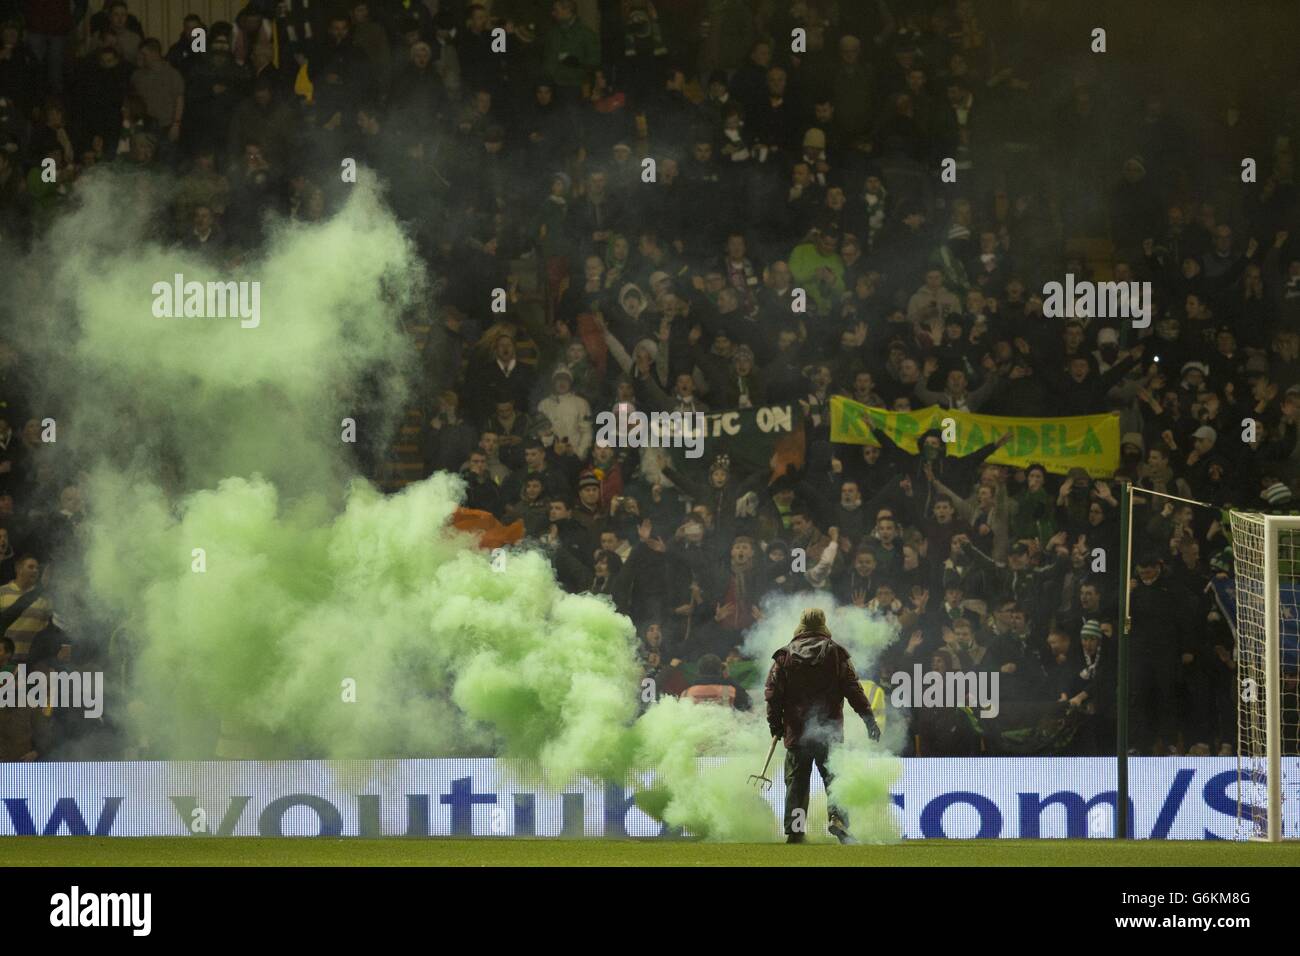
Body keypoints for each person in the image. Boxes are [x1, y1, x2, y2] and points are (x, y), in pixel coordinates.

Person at [764, 607, 880, 844]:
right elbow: (853, 689)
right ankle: (837, 820)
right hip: (830, 731)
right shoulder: (837, 653)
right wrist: (868, 719)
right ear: (823, 624)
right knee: (835, 780)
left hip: (797, 732)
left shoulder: (784, 656)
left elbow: (773, 694)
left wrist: (775, 725)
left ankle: (796, 830)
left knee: (797, 784)